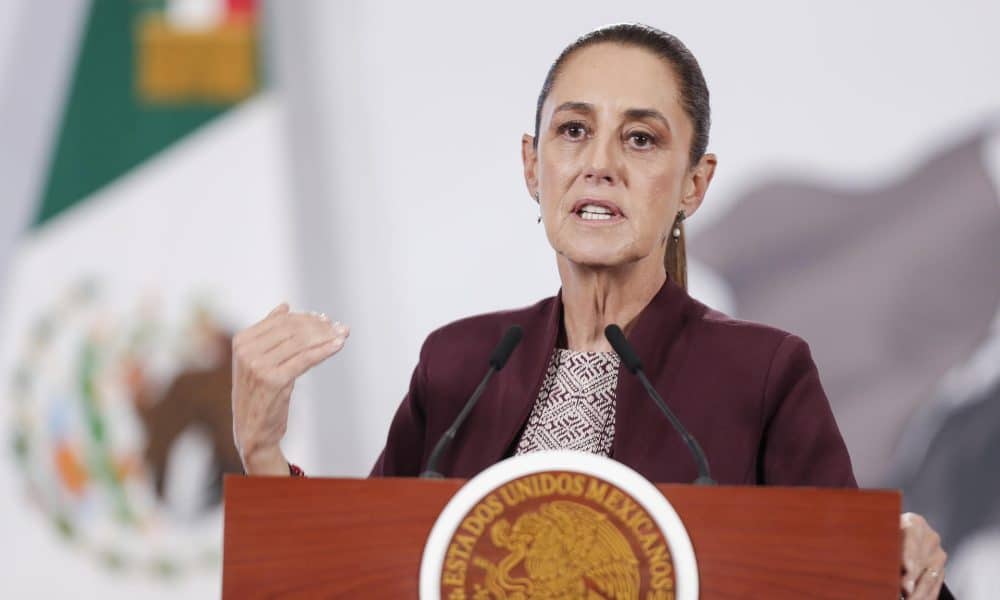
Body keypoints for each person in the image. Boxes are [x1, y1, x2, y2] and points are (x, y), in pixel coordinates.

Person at [230, 23, 950, 599]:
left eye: (641, 138)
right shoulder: (461, 365)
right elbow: (353, 576)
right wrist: (263, 454)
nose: (599, 162)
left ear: (695, 185)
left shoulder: (762, 372)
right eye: (573, 130)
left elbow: (853, 576)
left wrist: (904, 564)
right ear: (531, 165)